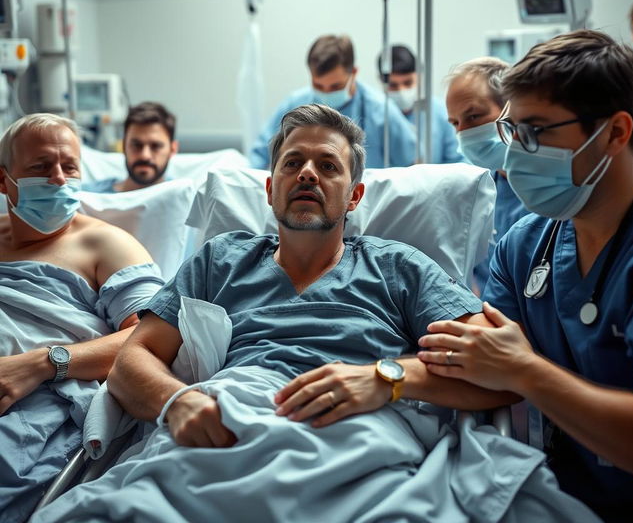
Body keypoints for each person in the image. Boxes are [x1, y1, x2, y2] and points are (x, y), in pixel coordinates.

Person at [31, 104, 601, 522]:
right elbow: (133, 362)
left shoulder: (399, 268)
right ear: (270, 187)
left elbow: (500, 375)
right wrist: (176, 401)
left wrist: (387, 379)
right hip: (226, 422)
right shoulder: (220, 260)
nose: (307, 173)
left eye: (328, 166)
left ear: (353, 196)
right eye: (293, 163)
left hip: (357, 434)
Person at [419, 30, 633, 522]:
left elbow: (511, 369)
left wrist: (525, 370)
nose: (517, 154)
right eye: (512, 132)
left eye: (536, 133)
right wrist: (386, 379)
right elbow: (487, 371)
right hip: (556, 494)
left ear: (615, 132)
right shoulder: (525, 243)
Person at [0, 113, 164, 521]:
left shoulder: (104, 244)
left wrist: (41, 363)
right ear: (4, 180)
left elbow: (153, 338)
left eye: (69, 166)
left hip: (32, 404)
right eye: (40, 167)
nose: (58, 178)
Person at [249, 35, 416, 169]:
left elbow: (412, 164)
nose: (326, 93)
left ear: (354, 73)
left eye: (335, 86)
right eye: (318, 85)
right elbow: (260, 155)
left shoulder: (381, 110)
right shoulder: (295, 103)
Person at [445, 56, 529, 293]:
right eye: (455, 123)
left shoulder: (544, 193)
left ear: (511, 110)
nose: (463, 132)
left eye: (473, 117)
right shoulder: (481, 192)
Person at [377, 44, 464, 163]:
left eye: (408, 83)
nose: (401, 91)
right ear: (381, 81)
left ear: (419, 77)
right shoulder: (374, 116)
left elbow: (457, 162)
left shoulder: (441, 113)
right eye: (393, 85)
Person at [83, 101, 178, 193]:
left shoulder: (184, 200)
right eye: (136, 145)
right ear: (124, 146)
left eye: (155, 146)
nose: (145, 155)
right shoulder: (86, 198)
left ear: (172, 149)